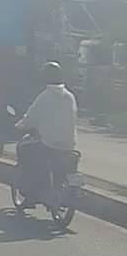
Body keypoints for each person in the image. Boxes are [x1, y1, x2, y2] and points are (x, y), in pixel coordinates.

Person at [15, 61, 78, 203]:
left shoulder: (45, 96)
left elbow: (31, 117)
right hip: (69, 145)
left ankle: (31, 192)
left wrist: (19, 126)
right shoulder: (70, 96)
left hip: (49, 143)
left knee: (25, 149)